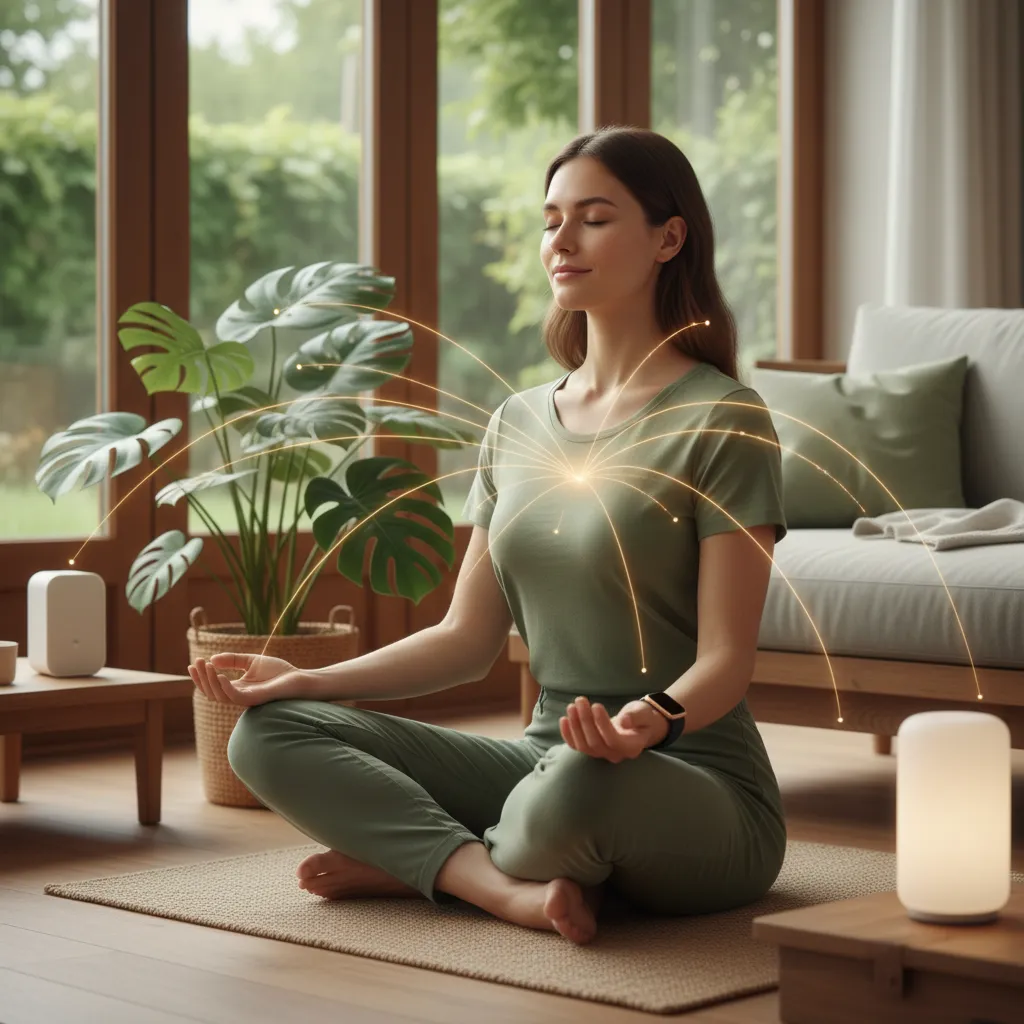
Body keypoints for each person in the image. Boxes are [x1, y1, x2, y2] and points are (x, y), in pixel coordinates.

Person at [188, 125, 788, 946]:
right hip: (544, 763)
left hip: (690, 776)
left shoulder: (725, 417)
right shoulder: (515, 423)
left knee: (574, 790)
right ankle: (492, 883)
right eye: (551, 220)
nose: (561, 242)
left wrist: (649, 721)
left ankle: (426, 860)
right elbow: (465, 640)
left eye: (595, 218)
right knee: (267, 734)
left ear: (668, 237)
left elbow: (728, 658)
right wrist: (304, 679)